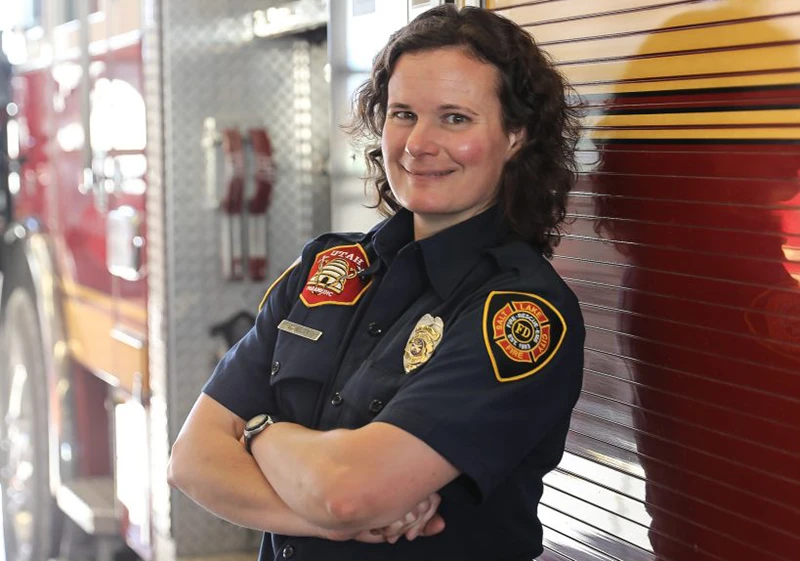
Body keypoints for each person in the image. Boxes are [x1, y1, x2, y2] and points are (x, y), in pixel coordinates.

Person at [168, 5, 585, 560]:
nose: (417, 143)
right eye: (403, 113)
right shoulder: (325, 270)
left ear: (515, 135)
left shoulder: (519, 315)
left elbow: (347, 492)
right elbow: (192, 460)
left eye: (455, 118)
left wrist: (258, 431)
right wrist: (326, 520)